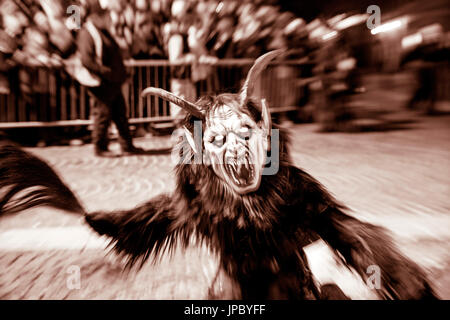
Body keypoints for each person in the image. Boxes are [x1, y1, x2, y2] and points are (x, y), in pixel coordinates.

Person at [77, 1, 144, 156]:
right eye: (102, 15)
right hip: (101, 82)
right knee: (102, 115)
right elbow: (87, 60)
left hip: (112, 81)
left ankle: (127, 145)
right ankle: (100, 147)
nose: (105, 17)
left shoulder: (103, 31)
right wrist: (105, 72)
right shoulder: (87, 33)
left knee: (120, 114)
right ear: (94, 16)